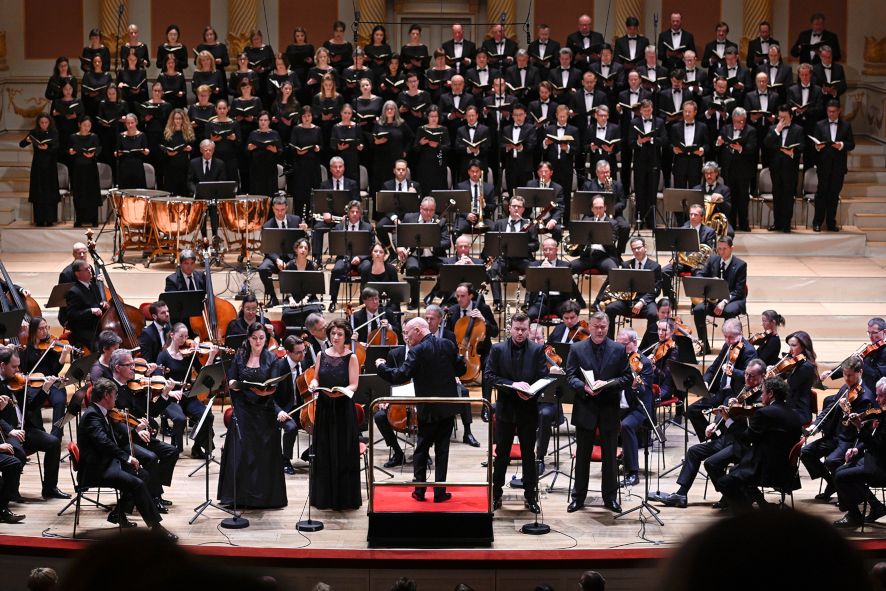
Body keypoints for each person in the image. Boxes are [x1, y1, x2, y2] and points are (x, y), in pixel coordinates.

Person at [652, 358, 765, 509]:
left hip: (743, 444)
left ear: (762, 376)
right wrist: (715, 422)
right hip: (728, 438)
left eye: (752, 376)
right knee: (693, 451)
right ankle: (681, 494)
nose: (747, 379)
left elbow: (747, 431)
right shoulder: (743, 388)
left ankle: (730, 495)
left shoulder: (761, 397)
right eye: (746, 374)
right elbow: (725, 406)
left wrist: (728, 419)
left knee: (711, 463)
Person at [376, 317, 467, 502]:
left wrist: (381, 367)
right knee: (442, 450)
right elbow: (461, 370)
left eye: (408, 333)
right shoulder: (448, 344)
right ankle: (440, 493)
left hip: (427, 408)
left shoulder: (417, 351)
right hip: (447, 407)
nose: (406, 337)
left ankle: (419, 491)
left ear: (417, 330)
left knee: (422, 448)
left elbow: (399, 375)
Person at [77, 378, 176, 540]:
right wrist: (128, 458)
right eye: (115, 395)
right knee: (136, 482)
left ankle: (118, 513)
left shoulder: (101, 413)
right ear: (107, 395)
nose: (116, 399)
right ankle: (156, 527)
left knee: (143, 475)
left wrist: (133, 430)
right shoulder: (92, 416)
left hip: (107, 463)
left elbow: (113, 437)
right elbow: (104, 443)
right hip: (97, 469)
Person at [566, 312, 632, 513]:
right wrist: (583, 387)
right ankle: (578, 497)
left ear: (608, 326)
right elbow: (570, 376)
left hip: (609, 409)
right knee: (583, 456)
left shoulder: (619, 349)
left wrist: (609, 384)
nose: (600, 330)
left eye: (603, 326)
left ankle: (610, 498)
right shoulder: (577, 348)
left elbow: (627, 378)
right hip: (586, 407)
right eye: (596, 326)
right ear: (590, 326)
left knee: (610, 458)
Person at [485, 311, 550, 513]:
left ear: (529, 330)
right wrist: (513, 385)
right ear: (510, 329)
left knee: (528, 455)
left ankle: (530, 496)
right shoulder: (497, 349)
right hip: (505, 409)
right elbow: (489, 376)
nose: (520, 333)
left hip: (528, 409)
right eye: (517, 329)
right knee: (501, 454)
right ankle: (496, 495)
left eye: (524, 329)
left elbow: (543, 377)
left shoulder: (538, 350)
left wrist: (530, 393)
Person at [220, 322, 287, 508]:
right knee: (242, 453)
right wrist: (235, 384)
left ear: (266, 339)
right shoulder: (240, 356)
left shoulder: (271, 358)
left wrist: (265, 392)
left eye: (262, 338)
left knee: (263, 455)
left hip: (264, 410)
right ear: (248, 338)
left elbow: (274, 384)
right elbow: (232, 379)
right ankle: (240, 497)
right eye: (254, 338)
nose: (258, 341)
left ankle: (264, 498)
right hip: (243, 410)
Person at [714, 376, 804, 511]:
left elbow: (746, 438)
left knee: (723, 482)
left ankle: (745, 512)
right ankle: (762, 505)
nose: (761, 396)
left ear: (771, 394)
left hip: (768, 469)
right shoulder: (794, 413)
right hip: (787, 469)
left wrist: (728, 420)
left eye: (763, 392)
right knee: (736, 471)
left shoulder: (765, 413)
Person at [802, 355, 876, 501]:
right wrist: (815, 425)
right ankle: (833, 483)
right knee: (806, 452)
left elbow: (858, 428)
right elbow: (829, 409)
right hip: (835, 436)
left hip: (849, 440)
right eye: (844, 375)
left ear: (860, 372)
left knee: (832, 461)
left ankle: (845, 493)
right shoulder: (845, 387)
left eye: (850, 375)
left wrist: (847, 411)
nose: (847, 379)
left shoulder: (866, 397)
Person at [306, 319, 361, 510]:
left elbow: (354, 384)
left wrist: (341, 390)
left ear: (345, 337)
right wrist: (313, 384)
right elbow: (316, 377)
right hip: (325, 407)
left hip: (343, 407)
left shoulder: (351, 357)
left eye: (339, 334)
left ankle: (344, 498)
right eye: (333, 333)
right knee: (324, 449)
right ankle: (324, 497)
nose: (335, 337)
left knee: (343, 451)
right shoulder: (322, 354)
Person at [0, 347, 68, 501]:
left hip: (25, 428)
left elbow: (30, 406)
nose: (19, 371)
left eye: (19, 366)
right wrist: (11, 431)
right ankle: (10, 492)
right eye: (14, 367)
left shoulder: (16, 381)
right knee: (18, 453)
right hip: (6, 432)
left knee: (53, 442)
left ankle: (50, 488)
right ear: (2, 365)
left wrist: (45, 388)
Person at [686, 318, 758, 440]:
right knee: (692, 410)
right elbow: (714, 367)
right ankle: (710, 441)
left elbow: (748, 377)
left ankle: (714, 444)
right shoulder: (727, 346)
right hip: (721, 390)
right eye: (725, 336)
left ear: (740, 333)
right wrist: (706, 381)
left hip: (735, 394)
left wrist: (732, 371)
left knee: (719, 420)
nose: (728, 340)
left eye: (731, 337)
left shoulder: (749, 351)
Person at [156, 323, 217, 457]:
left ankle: (197, 447)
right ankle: (174, 448)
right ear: (172, 335)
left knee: (207, 415)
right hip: (170, 399)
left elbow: (204, 372)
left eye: (186, 336)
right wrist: (170, 391)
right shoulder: (163, 356)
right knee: (180, 419)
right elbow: (158, 378)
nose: (184, 340)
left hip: (188, 396)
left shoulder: (189, 355)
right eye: (181, 336)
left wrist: (211, 356)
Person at [833, 377, 886, 528]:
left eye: (880, 396)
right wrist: (857, 448)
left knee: (842, 476)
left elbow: (878, 446)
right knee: (839, 470)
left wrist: (860, 428)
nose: (876, 399)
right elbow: (874, 438)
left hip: (881, 465)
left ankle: (855, 515)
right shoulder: (882, 413)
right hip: (873, 458)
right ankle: (874, 507)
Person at [594, 237, 661, 341]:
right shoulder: (626, 265)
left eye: (639, 248)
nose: (637, 251)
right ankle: (609, 342)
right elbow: (620, 286)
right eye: (634, 249)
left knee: (653, 314)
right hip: (627, 302)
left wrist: (642, 302)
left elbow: (656, 290)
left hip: (645, 302)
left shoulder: (655, 266)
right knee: (610, 309)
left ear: (645, 248)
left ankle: (647, 346)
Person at [691, 236, 748, 353]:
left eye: (724, 249)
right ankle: (704, 345)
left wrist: (724, 302)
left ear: (732, 248)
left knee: (729, 311)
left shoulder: (741, 265)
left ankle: (730, 347)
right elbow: (701, 274)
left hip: (733, 300)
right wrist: (708, 280)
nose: (721, 252)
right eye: (719, 249)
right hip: (714, 300)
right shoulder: (713, 260)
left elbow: (738, 291)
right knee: (698, 309)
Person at [20, 317, 73, 438]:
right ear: (34, 330)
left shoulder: (51, 346)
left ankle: (56, 436)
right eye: (41, 328)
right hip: (34, 383)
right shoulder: (26, 349)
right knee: (32, 402)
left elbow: (55, 370)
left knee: (60, 400)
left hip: (52, 381)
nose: (45, 331)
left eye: (46, 327)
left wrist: (64, 354)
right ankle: (39, 432)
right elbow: (24, 370)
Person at [488, 195, 539, 311]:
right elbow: (493, 242)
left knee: (533, 270)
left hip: (523, 259)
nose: (516, 209)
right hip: (504, 258)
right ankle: (498, 303)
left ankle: (527, 304)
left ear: (523, 209)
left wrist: (521, 246)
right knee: (494, 269)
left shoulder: (529, 224)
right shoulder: (499, 223)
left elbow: (535, 245)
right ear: (509, 208)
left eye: (519, 207)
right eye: (514, 206)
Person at [397, 196, 449, 309]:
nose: (428, 213)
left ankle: (432, 295)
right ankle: (414, 301)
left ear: (434, 210)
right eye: (425, 210)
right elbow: (398, 233)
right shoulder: (409, 218)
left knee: (449, 268)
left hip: (434, 256)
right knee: (411, 268)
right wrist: (400, 246)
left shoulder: (441, 221)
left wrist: (431, 245)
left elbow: (446, 242)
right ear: (420, 208)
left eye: (431, 210)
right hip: (415, 255)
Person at [813, 100, 855, 232]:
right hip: (823, 166)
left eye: (833, 112)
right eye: (829, 111)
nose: (831, 114)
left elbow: (851, 144)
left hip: (838, 167)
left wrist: (841, 145)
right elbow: (815, 144)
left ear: (839, 111)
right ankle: (817, 223)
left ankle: (831, 223)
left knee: (834, 195)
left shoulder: (846, 126)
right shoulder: (819, 125)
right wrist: (817, 147)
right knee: (821, 194)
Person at [326, 200, 375, 312]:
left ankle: (363, 300)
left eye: (357, 212)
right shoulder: (340, 227)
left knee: (367, 268)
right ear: (348, 213)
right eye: (352, 211)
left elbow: (371, 247)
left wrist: (360, 257)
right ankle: (333, 300)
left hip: (362, 258)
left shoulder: (368, 227)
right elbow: (335, 245)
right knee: (336, 269)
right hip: (344, 257)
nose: (354, 214)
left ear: (360, 214)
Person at [258, 196, 308, 307]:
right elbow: (267, 249)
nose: (280, 213)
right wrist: (277, 260)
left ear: (286, 208)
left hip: (293, 257)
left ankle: (302, 297)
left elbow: (304, 243)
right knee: (263, 268)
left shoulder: (296, 220)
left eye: (282, 209)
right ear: (273, 209)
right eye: (277, 210)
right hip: (275, 258)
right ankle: (273, 297)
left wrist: (304, 232)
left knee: (303, 265)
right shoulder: (267, 226)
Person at [273, 335, 312, 473]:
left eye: (304, 351)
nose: (303, 355)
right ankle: (285, 460)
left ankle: (309, 453)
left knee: (323, 422)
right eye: (298, 352)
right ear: (288, 353)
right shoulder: (278, 367)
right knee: (291, 428)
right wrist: (279, 411)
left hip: (301, 407)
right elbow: (269, 396)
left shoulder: (305, 363)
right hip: (283, 409)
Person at [763, 104, 805, 233]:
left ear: (791, 117)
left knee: (788, 196)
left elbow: (802, 146)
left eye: (784, 118)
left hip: (790, 168)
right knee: (777, 195)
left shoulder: (798, 129)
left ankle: (786, 224)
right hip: (776, 168)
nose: (781, 120)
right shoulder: (773, 128)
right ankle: (777, 223)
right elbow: (766, 144)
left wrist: (792, 152)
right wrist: (777, 131)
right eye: (780, 117)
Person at [716, 108, 757, 232]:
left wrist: (740, 149)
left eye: (741, 121)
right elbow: (718, 149)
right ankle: (730, 224)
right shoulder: (725, 129)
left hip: (744, 170)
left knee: (743, 198)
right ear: (732, 119)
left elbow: (752, 148)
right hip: (729, 169)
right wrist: (718, 143)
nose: (739, 124)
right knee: (729, 199)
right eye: (736, 121)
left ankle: (744, 224)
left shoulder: (751, 131)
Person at [629, 99, 667, 229]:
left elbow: (664, 140)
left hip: (654, 162)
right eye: (644, 110)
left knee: (652, 192)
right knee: (640, 192)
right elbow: (630, 142)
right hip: (639, 163)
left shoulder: (659, 122)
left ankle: (652, 221)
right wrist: (639, 142)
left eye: (649, 110)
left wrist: (650, 139)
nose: (647, 112)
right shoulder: (634, 122)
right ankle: (639, 221)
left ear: (652, 109)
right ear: (640, 111)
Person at [581, 159, 630, 256]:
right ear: (597, 172)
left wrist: (610, 210)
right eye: (603, 173)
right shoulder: (588, 185)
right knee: (583, 224)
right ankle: (585, 252)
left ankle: (618, 253)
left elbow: (622, 203)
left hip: (613, 215)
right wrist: (597, 209)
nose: (606, 175)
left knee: (625, 227)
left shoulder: (617, 185)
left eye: (607, 172)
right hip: (593, 214)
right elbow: (585, 204)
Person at [20, 113, 60, 227]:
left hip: (50, 166)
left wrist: (47, 148)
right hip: (38, 165)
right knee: (39, 191)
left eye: (46, 122)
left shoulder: (54, 132)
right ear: (38, 123)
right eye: (41, 122)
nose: (44, 125)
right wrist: (27, 140)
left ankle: (50, 219)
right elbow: (21, 144)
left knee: (49, 191)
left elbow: (57, 147)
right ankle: (39, 219)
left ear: (49, 122)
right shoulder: (34, 132)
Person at [524, 239, 577, 320]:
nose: (547, 252)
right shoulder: (534, 265)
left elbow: (569, 287)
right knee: (531, 314)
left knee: (570, 315)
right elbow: (526, 284)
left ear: (556, 250)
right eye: (545, 249)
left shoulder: (565, 265)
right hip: (541, 301)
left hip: (559, 302)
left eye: (550, 249)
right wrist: (540, 270)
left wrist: (551, 270)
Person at [64, 259, 108, 351]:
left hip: (97, 324)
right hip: (83, 328)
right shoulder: (74, 291)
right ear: (77, 274)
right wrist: (91, 311)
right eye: (86, 269)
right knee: (99, 348)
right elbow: (71, 315)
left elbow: (98, 303)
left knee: (113, 341)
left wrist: (103, 304)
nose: (90, 271)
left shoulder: (93, 285)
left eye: (89, 268)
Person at [186, 139, 225, 239]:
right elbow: (190, 181)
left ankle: (215, 236)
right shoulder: (194, 163)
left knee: (214, 211)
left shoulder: (220, 164)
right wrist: (196, 192)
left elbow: (222, 181)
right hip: (199, 196)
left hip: (214, 196)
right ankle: (204, 238)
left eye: (210, 150)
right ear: (201, 150)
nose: (208, 152)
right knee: (201, 214)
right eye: (205, 150)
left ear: (213, 150)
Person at [67, 116, 101, 227]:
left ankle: (94, 219)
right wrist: (71, 151)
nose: (87, 128)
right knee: (79, 193)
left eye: (89, 126)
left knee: (92, 193)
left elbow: (98, 149)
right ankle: (79, 219)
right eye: (84, 125)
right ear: (79, 124)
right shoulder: (73, 137)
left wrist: (93, 154)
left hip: (90, 168)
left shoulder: (94, 136)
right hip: (78, 169)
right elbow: (69, 150)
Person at [523, 160, 565, 243]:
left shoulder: (558, 188)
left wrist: (553, 220)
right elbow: (525, 203)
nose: (543, 174)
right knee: (528, 228)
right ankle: (533, 249)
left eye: (546, 171)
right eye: (541, 171)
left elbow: (560, 208)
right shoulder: (530, 184)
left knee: (558, 229)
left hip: (548, 218)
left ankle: (552, 249)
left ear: (551, 173)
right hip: (533, 217)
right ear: (538, 173)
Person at [782, 330, 818, 425]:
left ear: (803, 347)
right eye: (790, 345)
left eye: (794, 345)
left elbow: (788, 388)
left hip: (799, 411)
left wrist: (773, 380)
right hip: (791, 406)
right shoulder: (796, 363)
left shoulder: (806, 367)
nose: (790, 349)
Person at [160, 108, 196, 197]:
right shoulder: (167, 132)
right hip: (170, 165)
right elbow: (162, 148)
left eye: (180, 118)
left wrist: (190, 149)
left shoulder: (188, 132)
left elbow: (194, 149)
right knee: (171, 191)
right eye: (176, 118)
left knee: (184, 191)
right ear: (172, 119)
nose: (178, 121)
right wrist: (168, 153)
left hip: (184, 165)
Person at [693, 161, 733, 237]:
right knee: (685, 229)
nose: (708, 176)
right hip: (699, 220)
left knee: (730, 233)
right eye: (706, 173)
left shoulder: (724, 189)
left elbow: (728, 210)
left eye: (711, 173)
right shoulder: (697, 189)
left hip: (717, 221)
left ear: (717, 173)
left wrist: (721, 200)